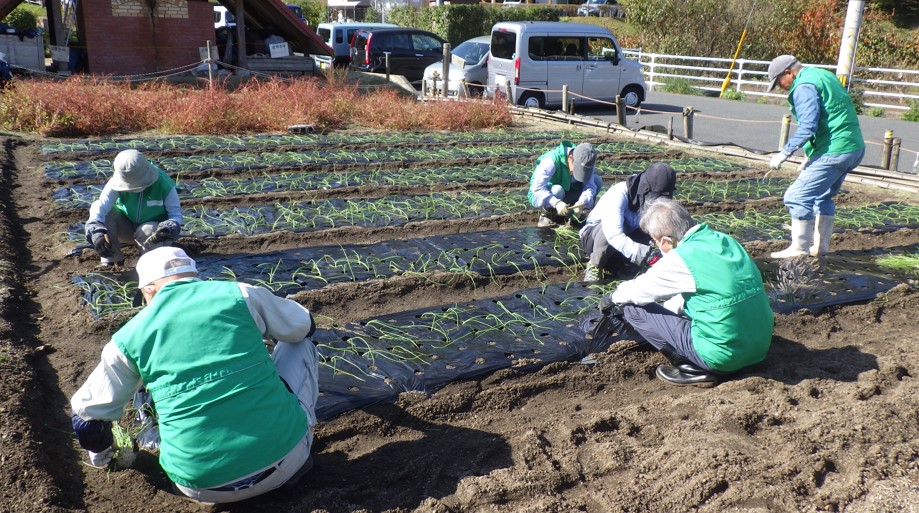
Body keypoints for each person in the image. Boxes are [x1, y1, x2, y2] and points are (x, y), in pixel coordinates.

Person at [70, 247, 319, 504]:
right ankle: (299, 437)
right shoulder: (238, 294)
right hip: (286, 460)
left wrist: (103, 456)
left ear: (149, 289)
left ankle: (153, 448)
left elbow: (86, 421)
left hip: (200, 485)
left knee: (142, 385)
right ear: (193, 276)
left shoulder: (127, 338)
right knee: (298, 343)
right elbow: (305, 325)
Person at [597, 199, 773, 387]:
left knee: (631, 308)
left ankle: (692, 368)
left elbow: (638, 291)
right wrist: (668, 313)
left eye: (655, 242)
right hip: (760, 348)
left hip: (724, 359)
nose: (657, 247)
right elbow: (703, 290)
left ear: (665, 241)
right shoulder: (725, 241)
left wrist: (611, 298)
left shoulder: (682, 257)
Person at [766, 54, 865, 259]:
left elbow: (809, 126)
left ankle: (799, 248)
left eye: (779, 82)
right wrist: (811, 156)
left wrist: (785, 152)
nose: (780, 87)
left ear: (788, 73)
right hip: (852, 146)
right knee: (822, 196)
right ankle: (821, 248)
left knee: (796, 196)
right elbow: (829, 117)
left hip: (835, 149)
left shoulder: (803, 86)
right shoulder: (821, 75)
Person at [84, 149, 183, 270]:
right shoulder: (116, 183)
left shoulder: (163, 184)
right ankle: (111, 261)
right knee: (105, 212)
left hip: (154, 233)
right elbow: (101, 206)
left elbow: (175, 214)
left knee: (146, 229)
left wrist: (169, 227)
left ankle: (149, 265)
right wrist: (96, 232)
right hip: (128, 227)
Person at [578, 162, 677, 281]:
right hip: (595, 239)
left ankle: (620, 266)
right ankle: (594, 265)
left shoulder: (650, 199)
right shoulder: (619, 193)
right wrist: (644, 254)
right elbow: (614, 235)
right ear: (646, 189)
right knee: (609, 230)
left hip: (625, 240)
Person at [529, 141, 603, 227]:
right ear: (570, 159)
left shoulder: (587, 162)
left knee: (597, 181)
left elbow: (590, 186)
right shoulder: (551, 160)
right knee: (557, 190)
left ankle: (572, 213)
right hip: (543, 195)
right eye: (577, 170)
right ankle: (547, 215)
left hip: (567, 191)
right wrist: (556, 203)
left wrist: (581, 203)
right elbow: (537, 188)